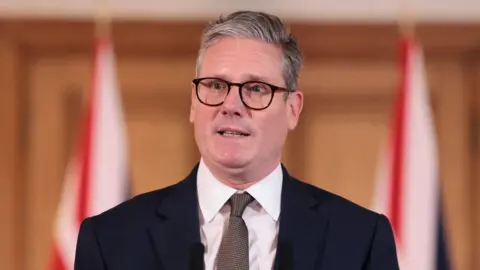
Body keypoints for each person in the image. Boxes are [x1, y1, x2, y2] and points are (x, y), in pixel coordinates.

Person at [74, 10, 399, 270]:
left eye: (256, 89)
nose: (231, 105)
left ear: (293, 109)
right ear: (193, 101)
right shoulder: (111, 240)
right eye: (216, 86)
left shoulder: (360, 240)